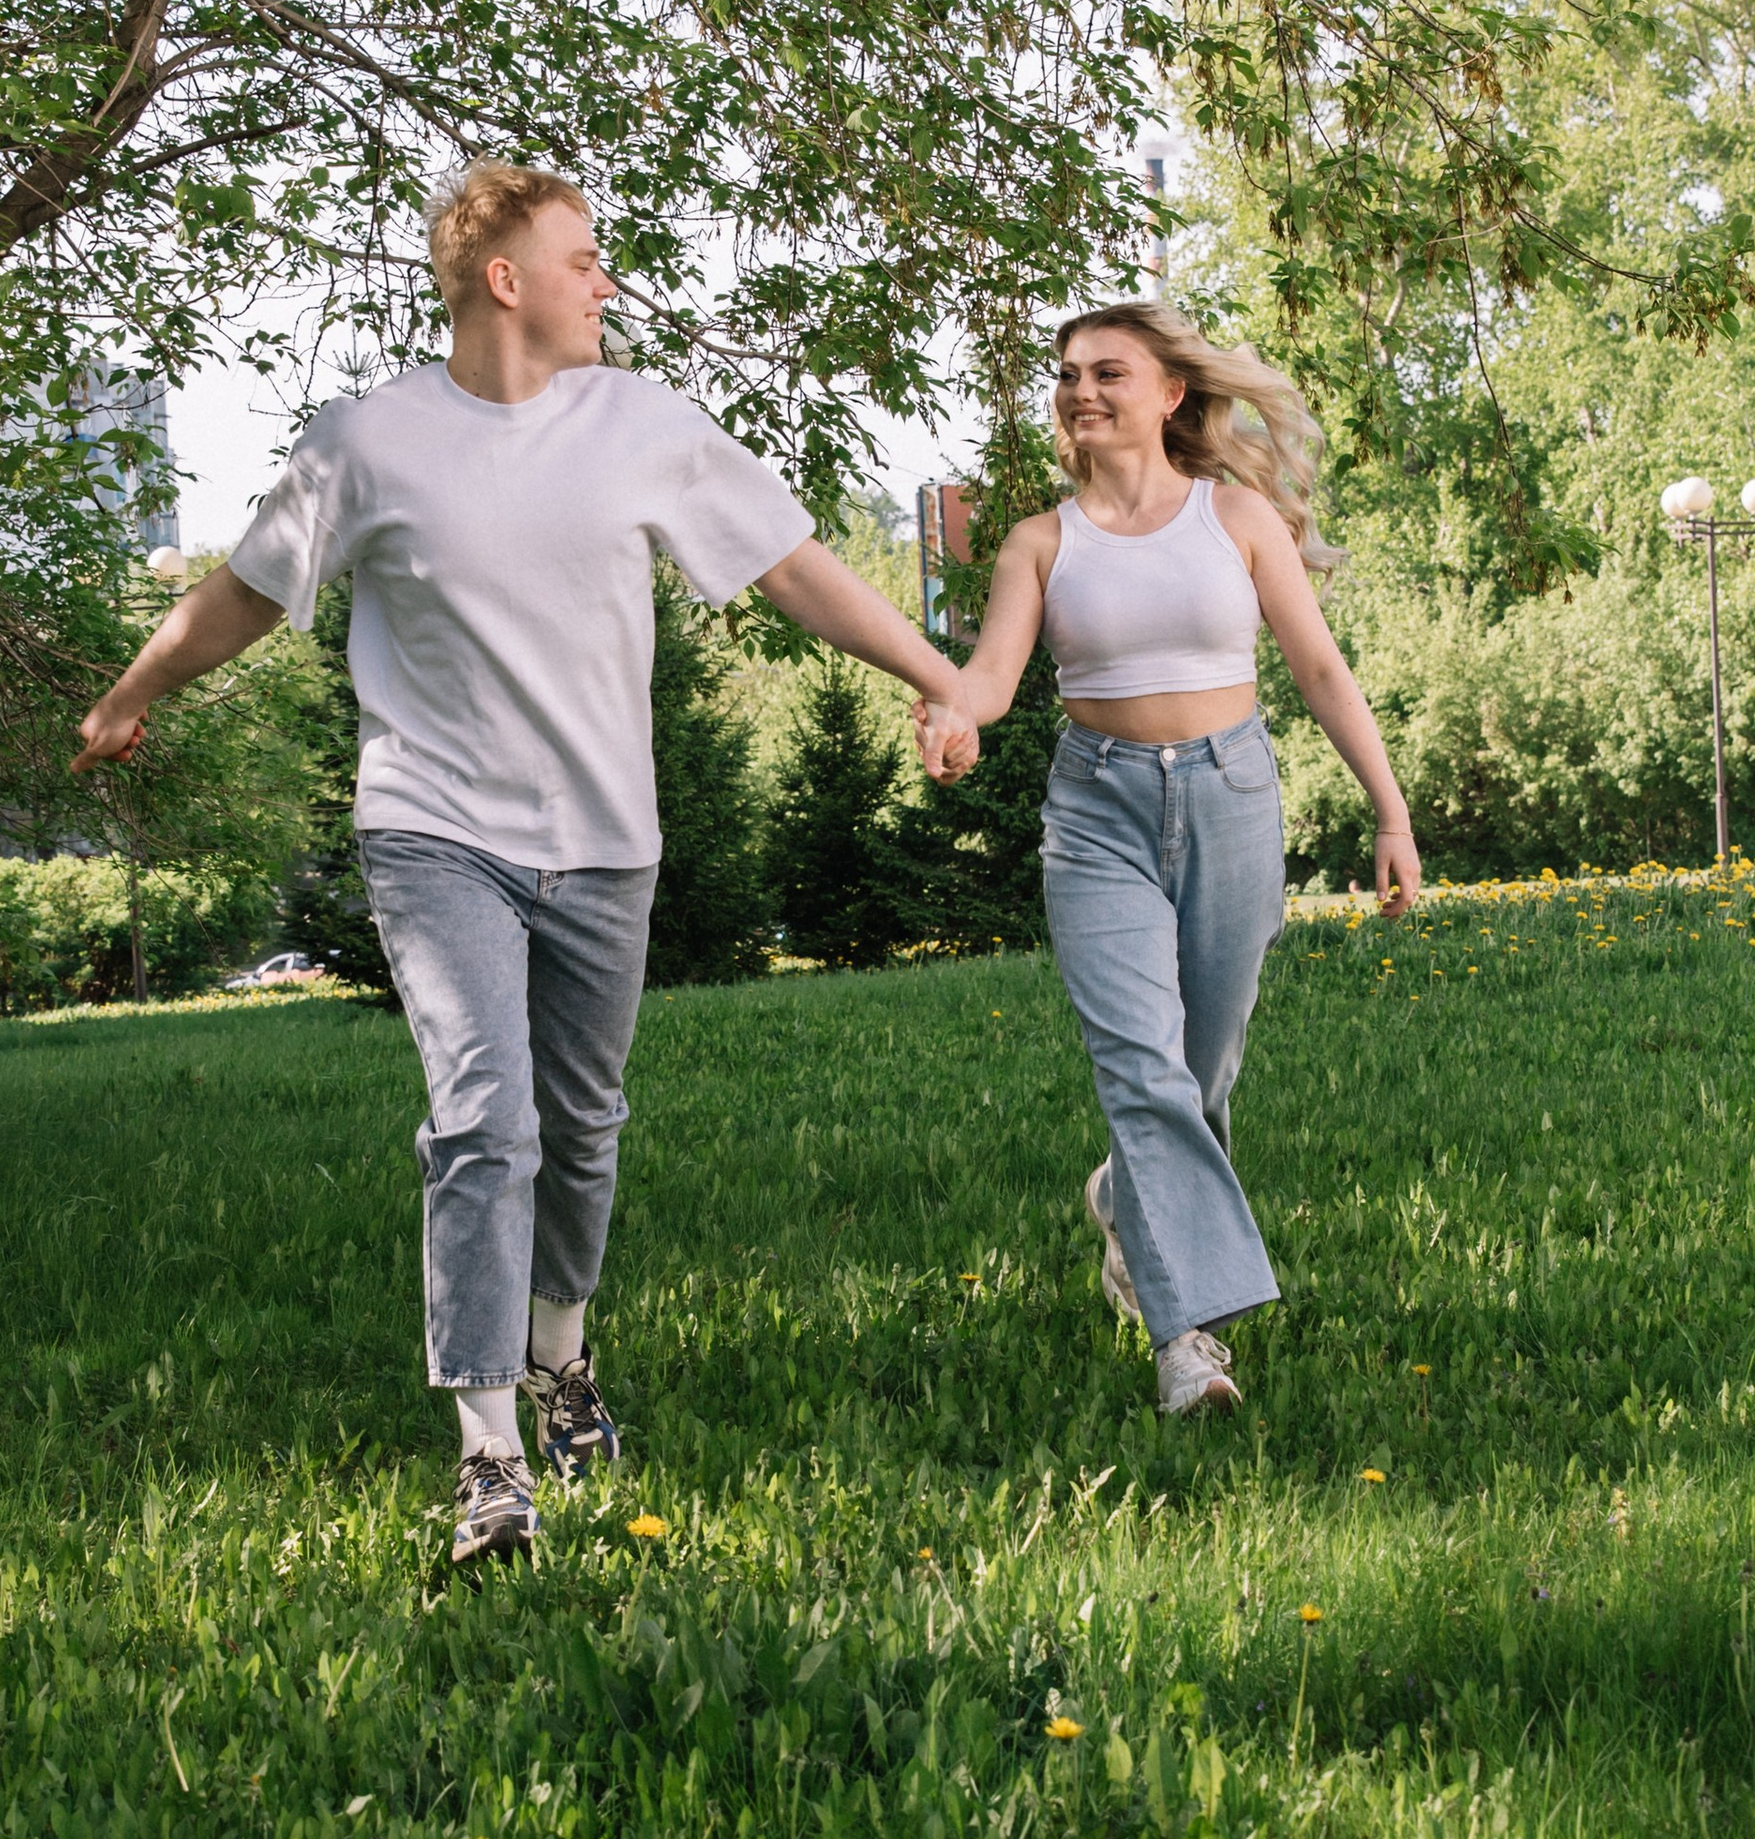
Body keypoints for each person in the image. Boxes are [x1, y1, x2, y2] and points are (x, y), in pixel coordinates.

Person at [76, 162, 973, 1569]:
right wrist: (132, 693)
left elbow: (794, 566)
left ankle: (560, 1356)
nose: (605, 280)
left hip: (606, 840)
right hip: (434, 830)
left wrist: (940, 678)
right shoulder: (366, 444)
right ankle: (490, 1457)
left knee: (583, 1127)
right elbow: (247, 592)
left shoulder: (641, 426)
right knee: (484, 1120)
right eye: (585, 258)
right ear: (506, 280)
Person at [915, 299, 1418, 1416]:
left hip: (1232, 797)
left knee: (1201, 1075)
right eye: (1067, 375)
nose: (1082, 391)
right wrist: (955, 723)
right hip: (1096, 814)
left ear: (1169, 393)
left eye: (1108, 372)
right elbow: (991, 680)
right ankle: (1186, 1340)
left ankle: (1125, 1198)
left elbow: (1322, 674)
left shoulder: (1235, 518)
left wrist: (1389, 812)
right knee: (1142, 1072)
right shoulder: (1040, 542)